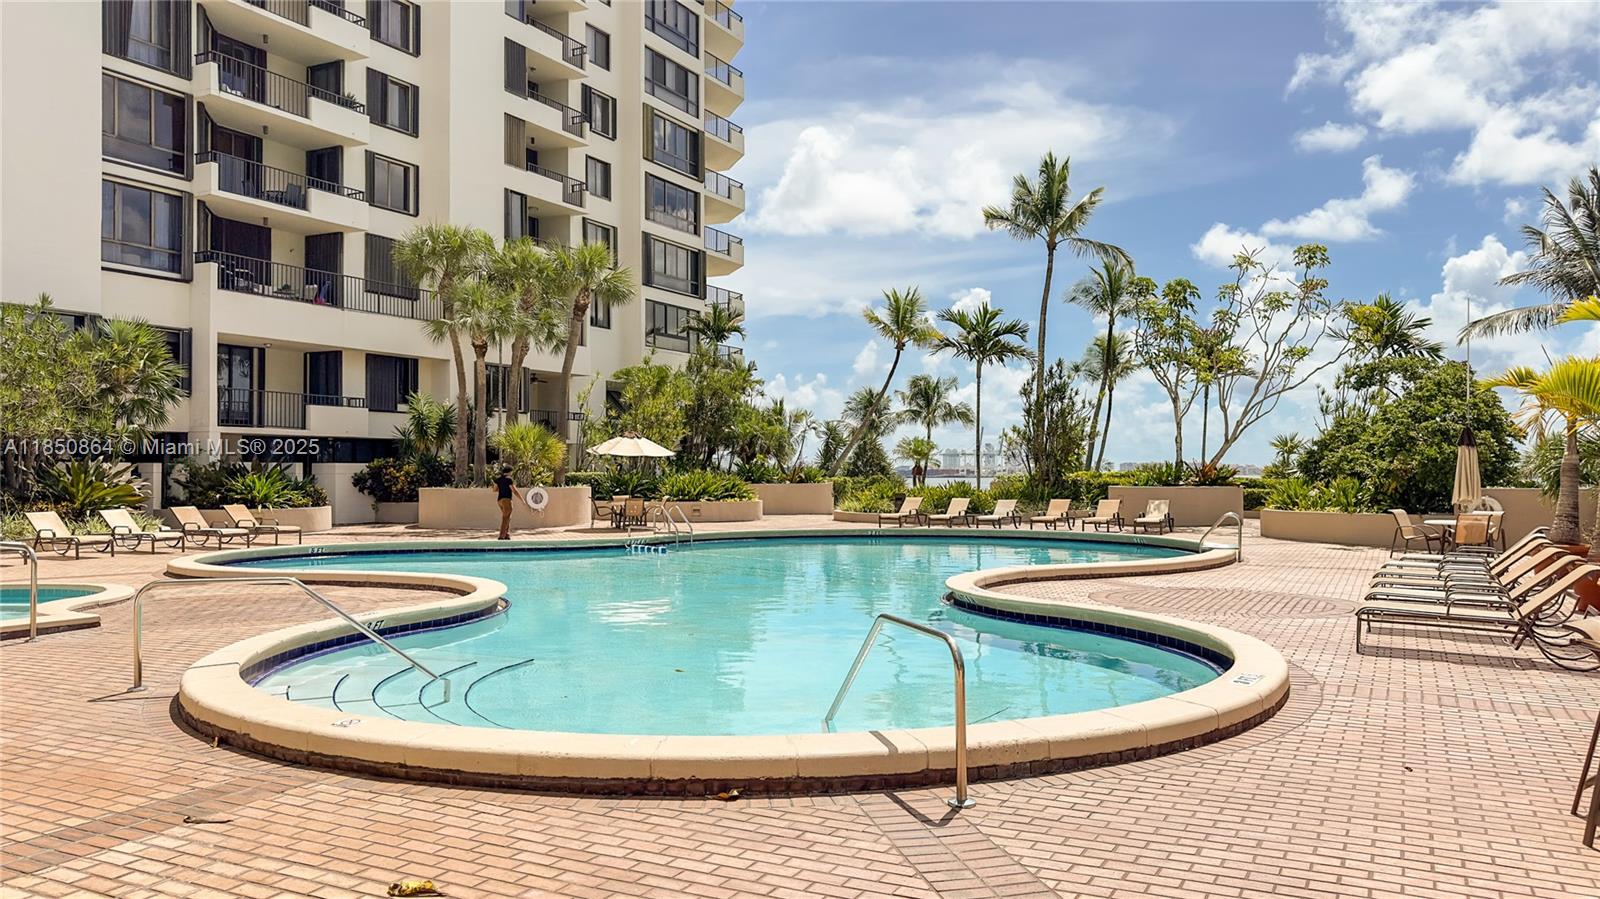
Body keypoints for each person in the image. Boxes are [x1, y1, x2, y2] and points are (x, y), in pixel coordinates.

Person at [493, 465, 529, 540]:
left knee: (508, 516)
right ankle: (501, 536)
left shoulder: (498, 479)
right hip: (507, 499)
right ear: (509, 472)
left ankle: (507, 534)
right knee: (505, 518)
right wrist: (522, 500)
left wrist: (502, 488)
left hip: (500, 500)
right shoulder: (509, 479)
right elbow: (514, 490)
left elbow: (494, 489)